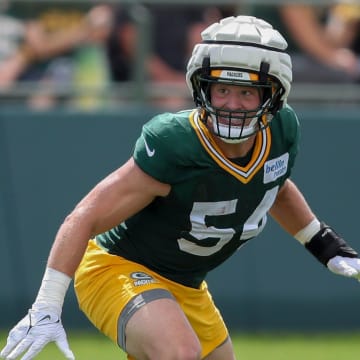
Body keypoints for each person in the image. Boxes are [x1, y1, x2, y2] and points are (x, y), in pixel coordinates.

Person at [1, 15, 360, 360]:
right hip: (117, 267)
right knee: (179, 353)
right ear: (201, 87)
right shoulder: (177, 143)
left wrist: (322, 242)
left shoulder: (281, 131)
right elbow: (86, 215)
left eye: (247, 93)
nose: (232, 105)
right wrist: (47, 304)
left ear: (273, 96)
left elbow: (275, 187)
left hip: (187, 286)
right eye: (221, 89)